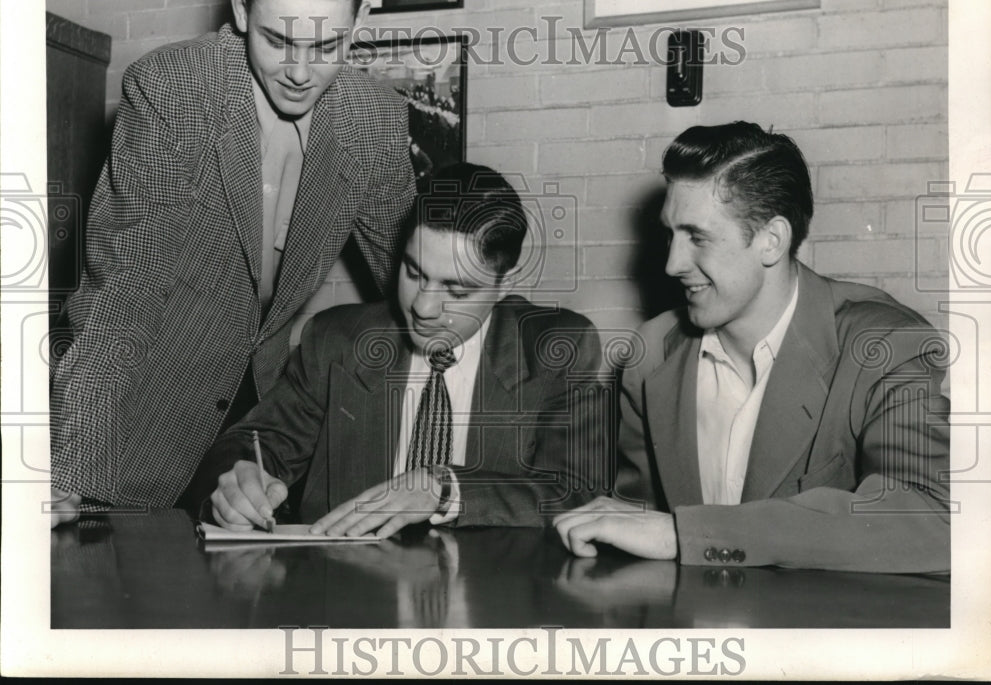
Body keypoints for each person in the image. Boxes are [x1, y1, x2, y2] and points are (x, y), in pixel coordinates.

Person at [49, 0, 416, 524]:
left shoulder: (373, 121)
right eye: (278, 41)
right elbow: (123, 293)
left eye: (326, 46)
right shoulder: (171, 93)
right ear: (243, 11)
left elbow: (418, 278)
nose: (301, 73)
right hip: (141, 404)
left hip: (257, 422)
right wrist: (66, 471)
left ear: (360, 25)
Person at [555, 122, 950, 573]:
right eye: (670, 234)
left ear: (771, 240)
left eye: (697, 237)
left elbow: (934, 519)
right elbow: (636, 529)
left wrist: (691, 535)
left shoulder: (883, 346)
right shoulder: (650, 354)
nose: (672, 264)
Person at [193, 162, 608, 536]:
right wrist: (236, 483)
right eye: (414, 272)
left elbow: (579, 492)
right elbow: (252, 444)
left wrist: (445, 487)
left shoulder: (557, 350)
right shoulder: (336, 341)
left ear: (506, 283)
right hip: (350, 595)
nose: (423, 307)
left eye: (456, 289)